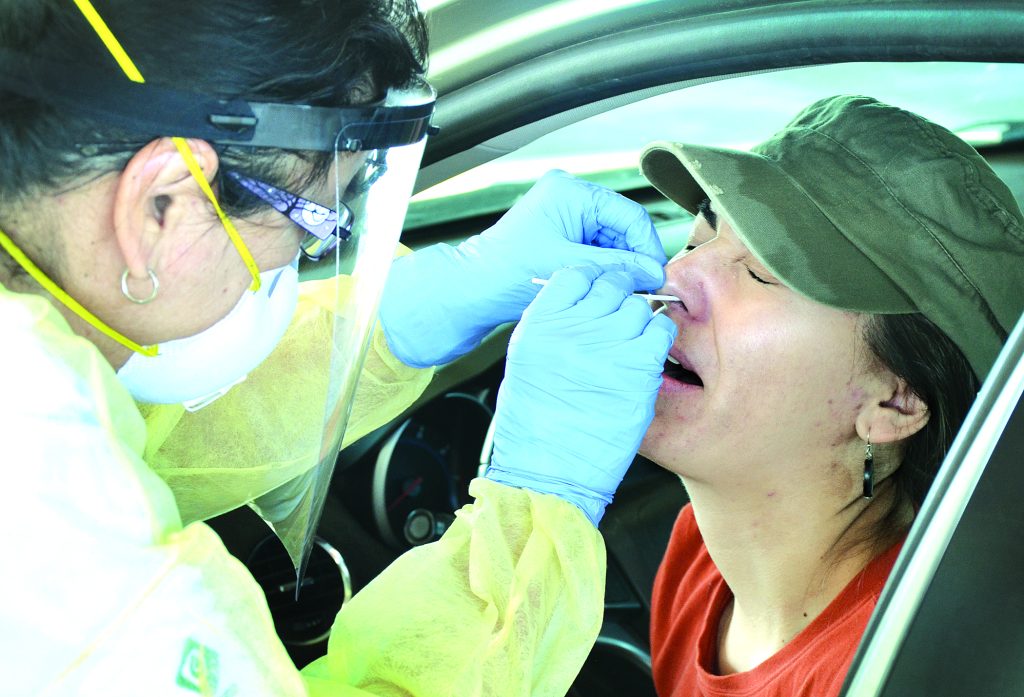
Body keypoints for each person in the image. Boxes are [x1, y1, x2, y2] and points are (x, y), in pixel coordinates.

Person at [0, 1, 675, 695]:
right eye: (313, 226)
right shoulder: (84, 570)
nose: (311, 257)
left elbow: (146, 446)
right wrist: (534, 518)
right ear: (161, 205)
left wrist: (387, 330)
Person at [632, 95, 1024, 696]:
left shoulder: (902, 672)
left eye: (764, 267)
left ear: (895, 402)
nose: (671, 278)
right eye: (701, 233)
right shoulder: (700, 559)